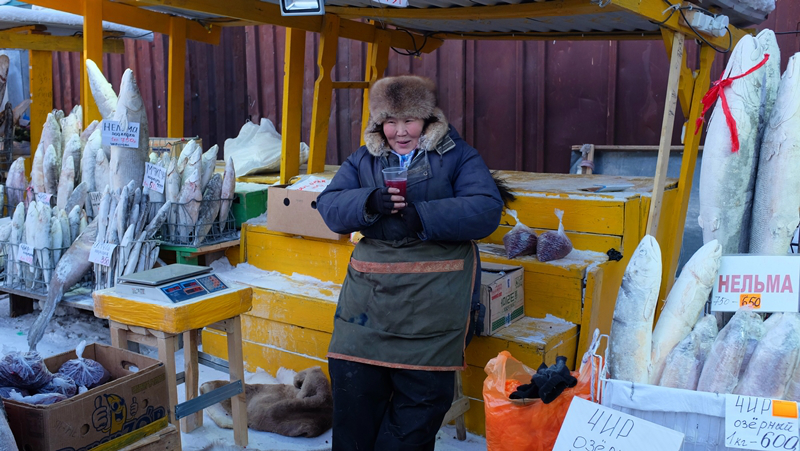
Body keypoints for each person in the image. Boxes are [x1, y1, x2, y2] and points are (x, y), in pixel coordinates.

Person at [316, 75, 505, 451]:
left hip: (432, 301)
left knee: (415, 413)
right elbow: (329, 205)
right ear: (377, 124)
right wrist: (368, 202)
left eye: (409, 121)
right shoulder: (363, 159)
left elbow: (486, 209)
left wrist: (425, 216)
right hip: (368, 305)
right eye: (390, 122)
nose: (400, 132)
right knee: (353, 397)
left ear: (429, 118)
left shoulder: (458, 155)